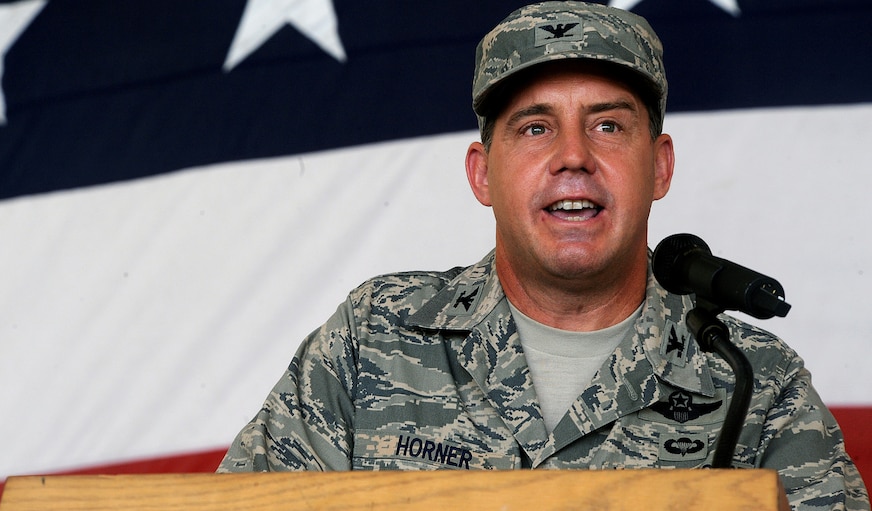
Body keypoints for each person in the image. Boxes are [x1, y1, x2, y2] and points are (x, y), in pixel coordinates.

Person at [218, 2, 869, 509]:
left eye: (608, 125)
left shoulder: (754, 381)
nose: (573, 156)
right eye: (535, 127)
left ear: (661, 167)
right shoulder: (374, 336)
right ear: (482, 174)